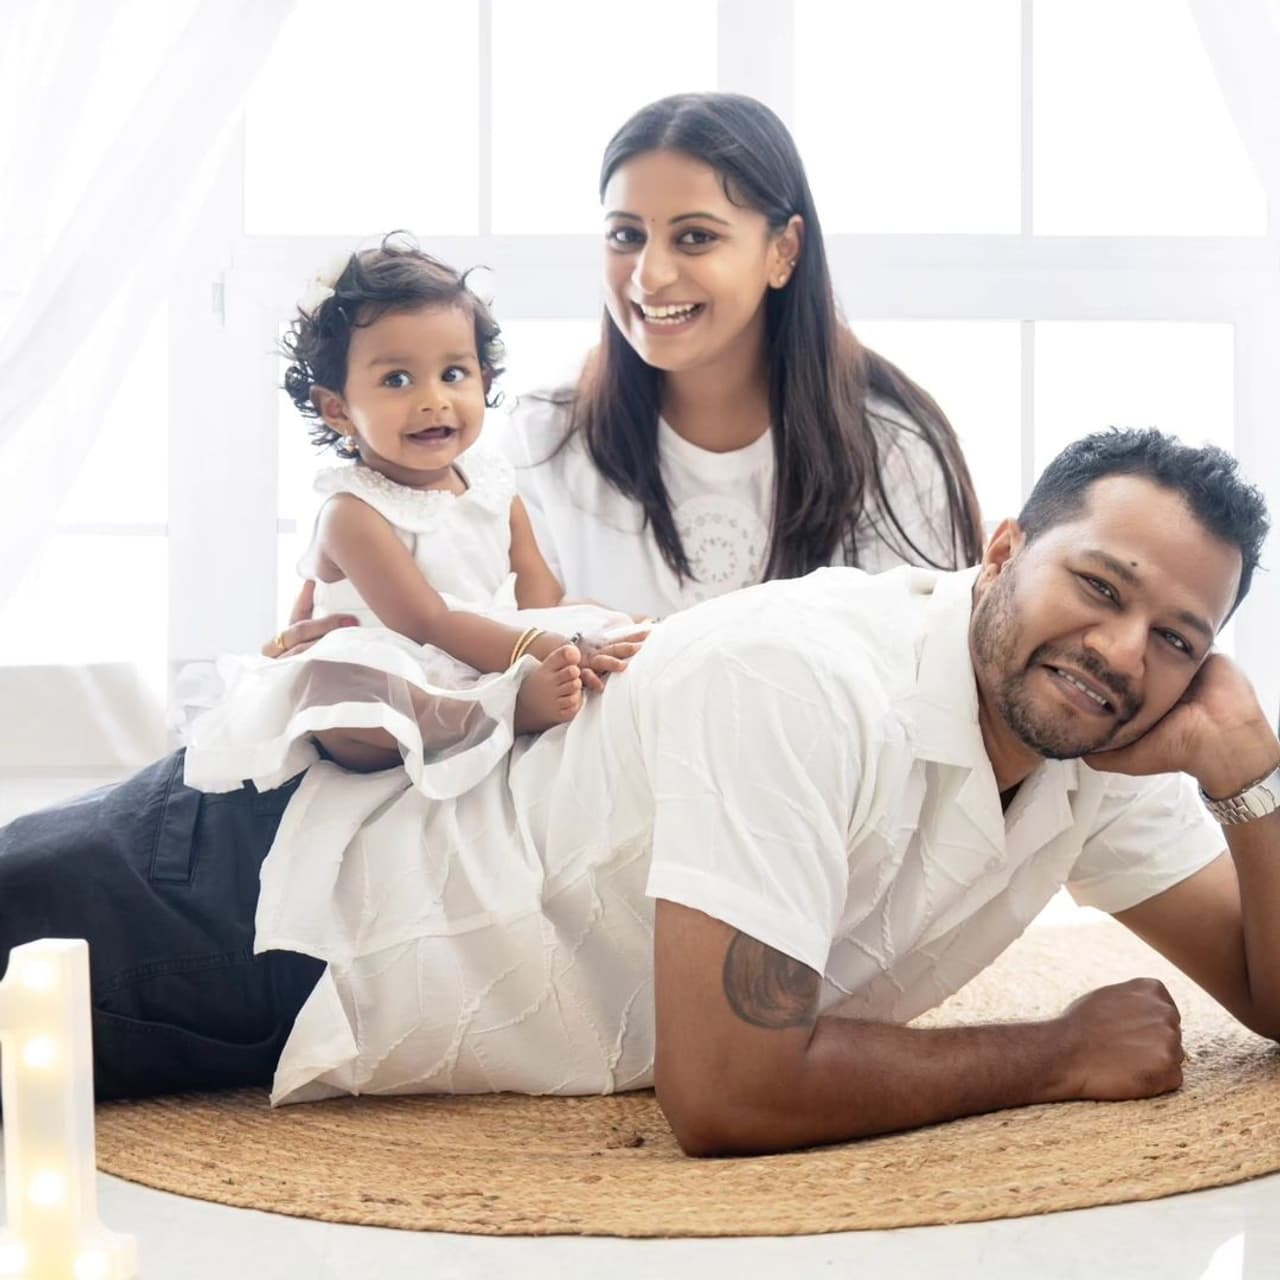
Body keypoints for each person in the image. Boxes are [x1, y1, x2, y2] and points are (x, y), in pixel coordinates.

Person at [2, 429, 1277, 1158]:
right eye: (1097, 586)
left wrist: (1249, 778)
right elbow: (729, 1090)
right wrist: (1056, 1050)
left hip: (320, 963)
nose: (1121, 651)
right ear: (1001, 551)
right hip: (267, 897)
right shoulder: (804, 679)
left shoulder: (1091, 736)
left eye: (1176, 636)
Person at [269, 92, 984, 654]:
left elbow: (932, 688)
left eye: (695, 237)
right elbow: (472, 641)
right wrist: (340, 655)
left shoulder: (892, 447)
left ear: (783, 251)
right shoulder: (543, 437)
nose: (649, 276)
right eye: (626, 236)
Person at [182, 238, 644, 795]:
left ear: (484, 380)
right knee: (336, 689)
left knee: (608, 623)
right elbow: (429, 622)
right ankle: (489, 717)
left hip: (490, 649)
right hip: (404, 662)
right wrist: (541, 649)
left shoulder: (493, 486)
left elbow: (539, 597)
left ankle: (538, 679)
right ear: (338, 409)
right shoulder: (352, 512)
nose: (433, 400)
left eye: (453, 373)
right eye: (397, 380)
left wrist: (599, 627)